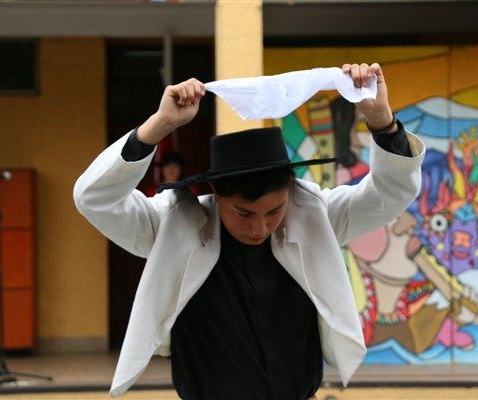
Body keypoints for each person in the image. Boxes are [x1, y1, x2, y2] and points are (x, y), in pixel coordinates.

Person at [73, 63, 425, 399]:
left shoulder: (317, 217)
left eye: (274, 211)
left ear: (290, 193)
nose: (259, 227)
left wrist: (382, 122)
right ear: (217, 196)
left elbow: (390, 193)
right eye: (243, 213)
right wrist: (159, 125)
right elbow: (94, 198)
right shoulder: (172, 226)